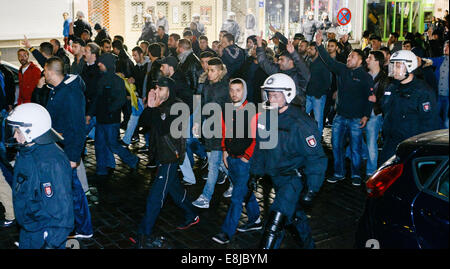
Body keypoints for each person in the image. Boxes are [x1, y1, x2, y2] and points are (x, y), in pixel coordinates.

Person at [249, 73, 327, 249]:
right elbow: (261, 148)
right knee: (294, 216)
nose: (271, 99)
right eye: (269, 95)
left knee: (274, 225)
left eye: (276, 95)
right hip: (277, 178)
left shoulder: (301, 123)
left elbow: (316, 159)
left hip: (293, 179)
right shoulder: (267, 117)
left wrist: (312, 189)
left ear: (288, 95)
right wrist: (255, 172)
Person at [136, 77, 199, 249]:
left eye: (160, 88)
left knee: (156, 197)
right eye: (156, 87)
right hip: (161, 156)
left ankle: (144, 234)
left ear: (169, 90)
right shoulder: (160, 104)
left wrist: (154, 108)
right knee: (175, 190)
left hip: (170, 157)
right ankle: (192, 214)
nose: (157, 91)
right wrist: (149, 106)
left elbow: (165, 129)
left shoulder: (179, 107)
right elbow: (143, 123)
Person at [7, 103, 74, 249]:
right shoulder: (27, 150)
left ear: (31, 131)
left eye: (18, 131)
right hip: (29, 228)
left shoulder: (51, 162)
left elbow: (62, 209)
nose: (14, 135)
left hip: (43, 233)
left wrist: (52, 243)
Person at [315, 31, 374, 187]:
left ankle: (355, 175)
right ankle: (339, 173)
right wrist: (320, 45)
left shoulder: (365, 77)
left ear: (360, 60)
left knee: (355, 149)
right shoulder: (343, 70)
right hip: (339, 117)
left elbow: (370, 98)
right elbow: (329, 61)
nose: (348, 58)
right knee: (336, 146)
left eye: (352, 57)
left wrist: (366, 116)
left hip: (356, 119)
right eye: (348, 56)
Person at [44, 57, 93, 239]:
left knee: (74, 191)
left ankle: (84, 229)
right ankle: (76, 225)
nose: (43, 73)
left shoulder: (71, 93)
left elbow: (78, 127)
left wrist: (74, 156)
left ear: (50, 71)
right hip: (59, 149)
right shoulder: (57, 89)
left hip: (67, 152)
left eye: (45, 70)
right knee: (69, 190)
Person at [211, 78, 261, 245]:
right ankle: (255, 220)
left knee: (236, 198)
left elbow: (257, 138)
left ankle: (226, 232)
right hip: (231, 159)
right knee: (245, 191)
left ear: (244, 91)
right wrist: (225, 150)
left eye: (238, 90)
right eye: (232, 90)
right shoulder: (226, 109)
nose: (234, 93)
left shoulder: (252, 110)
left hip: (244, 161)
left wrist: (247, 156)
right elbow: (225, 131)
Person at [380, 50, 440, 163]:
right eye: (393, 66)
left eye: (398, 66)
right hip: (390, 143)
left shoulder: (423, 91)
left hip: (411, 145)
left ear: (410, 66)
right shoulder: (391, 88)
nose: (394, 70)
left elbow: (430, 123)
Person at [88, 52, 139, 178]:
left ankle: (133, 160)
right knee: (99, 144)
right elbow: (96, 99)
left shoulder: (117, 81)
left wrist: (109, 110)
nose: (99, 64)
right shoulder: (101, 79)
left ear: (107, 64)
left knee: (113, 144)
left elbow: (120, 100)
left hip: (111, 120)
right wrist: (90, 114)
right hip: (101, 118)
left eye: (101, 62)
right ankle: (101, 170)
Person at [192, 58, 230, 209]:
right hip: (210, 128)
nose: (209, 73)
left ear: (220, 71)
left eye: (213, 70)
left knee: (213, 164)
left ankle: (206, 196)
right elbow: (202, 105)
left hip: (220, 130)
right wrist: (197, 122)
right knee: (220, 162)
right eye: (208, 70)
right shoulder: (208, 85)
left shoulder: (225, 88)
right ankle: (238, 184)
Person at [255, 33, 310, 109]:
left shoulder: (299, 75)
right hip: (277, 109)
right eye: (279, 59)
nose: (278, 62)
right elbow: (263, 62)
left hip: (294, 110)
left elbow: (302, 66)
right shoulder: (277, 70)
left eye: (282, 60)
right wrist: (260, 46)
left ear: (291, 61)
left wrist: (294, 53)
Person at [363, 50, 390, 177]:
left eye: (370, 58)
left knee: (371, 143)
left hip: (374, 113)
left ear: (377, 61)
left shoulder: (385, 78)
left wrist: (376, 100)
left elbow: (387, 99)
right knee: (363, 140)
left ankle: (371, 171)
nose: (367, 60)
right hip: (362, 112)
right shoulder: (364, 74)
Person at [305, 41, 332, 139]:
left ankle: (318, 138)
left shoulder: (322, 64)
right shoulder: (308, 61)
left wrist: (319, 93)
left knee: (318, 119)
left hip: (318, 97)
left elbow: (327, 82)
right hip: (308, 94)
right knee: (302, 114)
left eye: (311, 49)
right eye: (309, 48)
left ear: (317, 51)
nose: (309, 51)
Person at [425, 40, 449, 128]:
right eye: (444, 46)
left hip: (448, 97)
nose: (445, 48)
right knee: (436, 117)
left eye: (448, 46)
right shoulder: (441, 59)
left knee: (447, 120)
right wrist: (420, 60)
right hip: (438, 95)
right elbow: (430, 61)